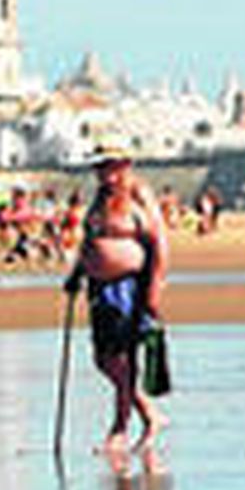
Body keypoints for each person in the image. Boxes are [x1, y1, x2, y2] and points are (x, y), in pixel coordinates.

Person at [63, 143, 170, 471]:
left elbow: (159, 244)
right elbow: (89, 240)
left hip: (129, 287)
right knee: (104, 359)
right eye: (99, 166)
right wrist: (77, 274)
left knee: (123, 359)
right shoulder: (100, 197)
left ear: (124, 165)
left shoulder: (138, 195)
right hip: (100, 288)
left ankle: (120, 429)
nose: (103, 172)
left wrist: (154, 290)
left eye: (109, 165)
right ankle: (148, 414)